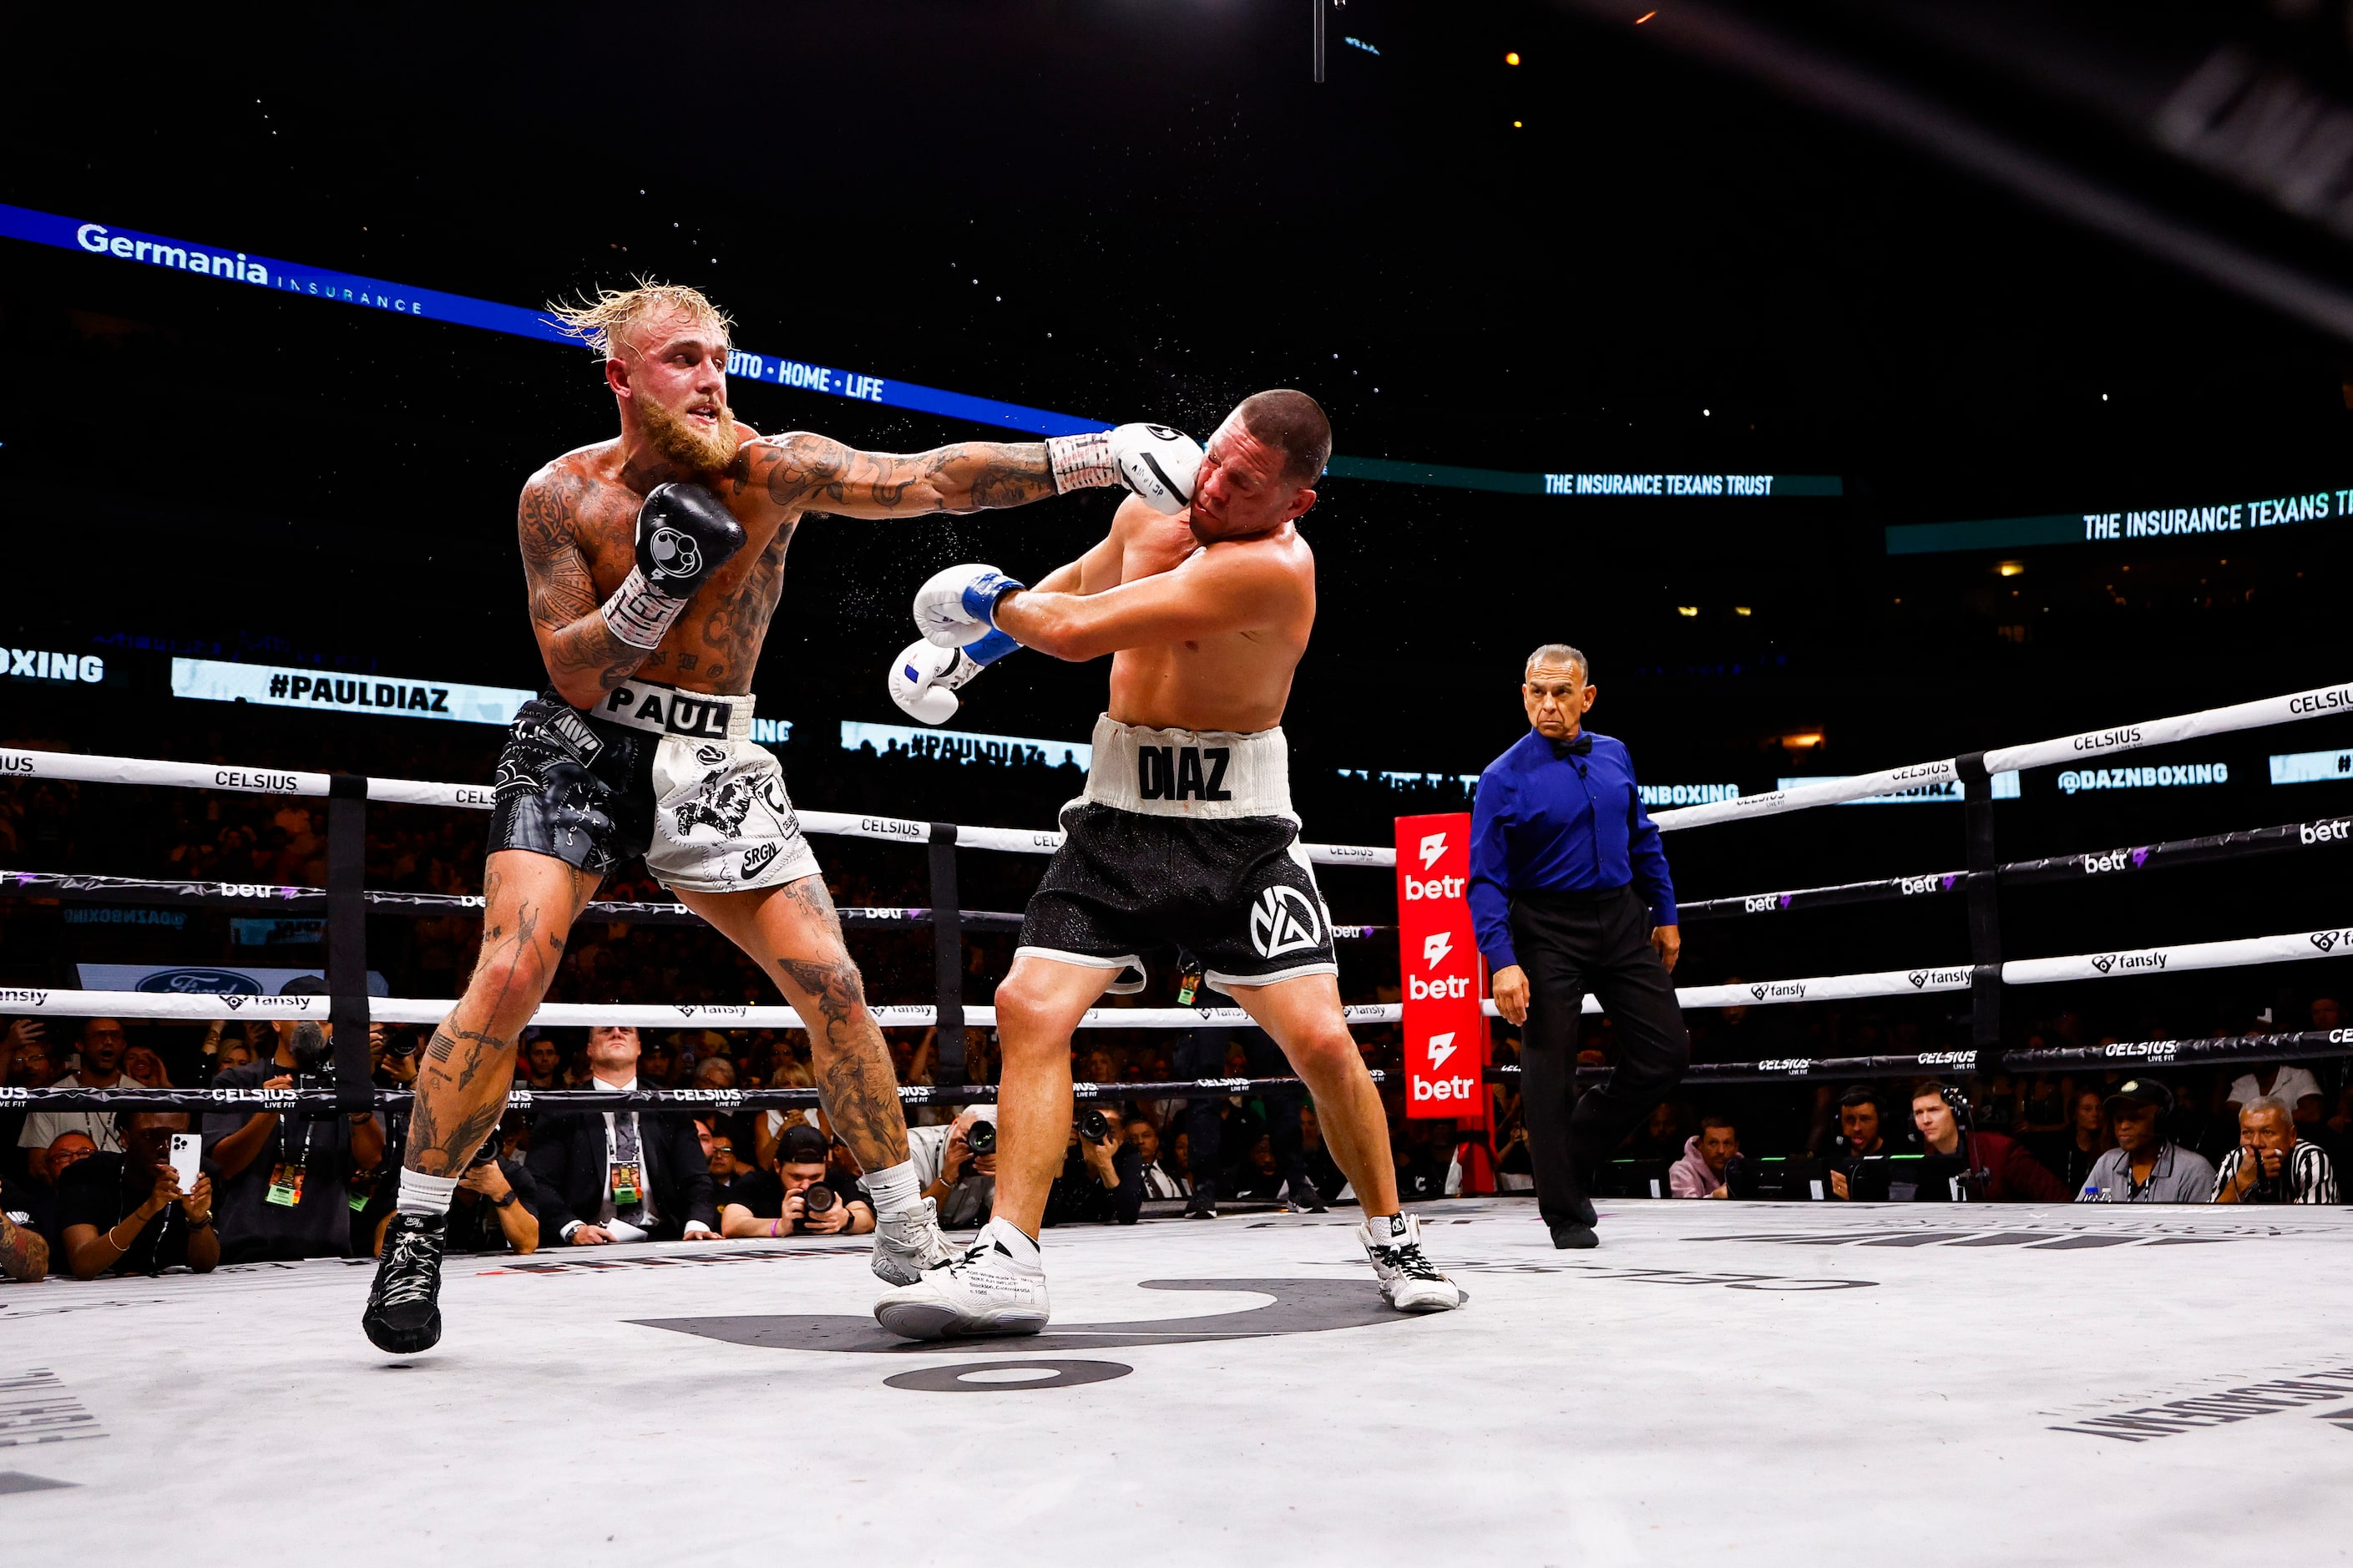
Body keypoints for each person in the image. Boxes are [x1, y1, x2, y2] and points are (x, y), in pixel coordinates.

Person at [362, 279, 1187, 1353]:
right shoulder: (560, 496)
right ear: (620, 376)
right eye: (680, 360)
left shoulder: (771, 466)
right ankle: (417, 1231)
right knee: (512, 970)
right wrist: (651, 594)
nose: (709, 379)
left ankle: (904, 1223)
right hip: (580, 745)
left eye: (717, 358)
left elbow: (929, 480)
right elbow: (567, 667)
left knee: (832, 978)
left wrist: (1092, 453)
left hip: (715, 751)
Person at [876, 389, 1464, 1337]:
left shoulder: (1273, 569)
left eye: (1246, 481)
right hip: (1115, 821)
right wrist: (973, 656)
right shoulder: (1155, 503)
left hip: (1239, 836)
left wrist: (980, 598)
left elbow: (1072, 633)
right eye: (1218, 456)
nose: (1216, 485)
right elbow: (1080, 581)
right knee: (1028, 1007)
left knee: (1318, 1040)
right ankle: (1009, 1260)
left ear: (1295, 502)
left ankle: (1392, 1233)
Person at [1471, 645, 1688, 1250]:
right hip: (1545, 928)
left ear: (1586, 697)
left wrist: (1664, 912)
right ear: (1523, 695)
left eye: (1561, 693)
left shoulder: (1615, 753)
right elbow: (1485, 879)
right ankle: (1564, 1212)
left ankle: (1577, 1142)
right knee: (1547, 1072)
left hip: (1620, 917)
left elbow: (1641, 836)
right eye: (1536, 692)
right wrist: (1503, 960)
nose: (1548, 704)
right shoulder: (1501, 777)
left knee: (1666, 1055)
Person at [204, 1014, 386, 1263]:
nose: (315, 1025)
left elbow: (372, 1159)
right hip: (245, 1249)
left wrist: (358, 1107)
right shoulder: (237, 1081)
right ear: (277, 1022)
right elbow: (225, 1166)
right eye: (304, 1015)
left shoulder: (348, 1084)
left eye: (324, 1018)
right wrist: (267, 1112)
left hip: (327, 1251)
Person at [526, 1024, 720, 1246]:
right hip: (588, 1239)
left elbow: (696, 1177)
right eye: (606, 1030)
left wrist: (697, 1224)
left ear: (638, 1048)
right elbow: (539, 1182)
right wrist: (573, 1229)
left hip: (663, 1237)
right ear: (590, 1049)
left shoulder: (668, 1105)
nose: (616, 1033)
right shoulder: (563, 1109)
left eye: (625, 1030)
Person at [59, 1112, 219, 1278]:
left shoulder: (198, 1175)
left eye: (176, 1137)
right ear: (125, 1138)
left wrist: (198, 1220)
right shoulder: (88, 1174)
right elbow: (84, 1265)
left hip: (169, 1292)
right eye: (150, 1136)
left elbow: (204, 1265)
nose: (164, 1149)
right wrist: (149, 1208)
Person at [1908, 1081, 2068, 1201]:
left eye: (1933, 1110)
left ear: (1955, 1113)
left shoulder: (2001, 1150)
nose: (1926, 1120)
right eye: (1919, 1113)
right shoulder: (1927, 1162)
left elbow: (2058, 1196)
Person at [17, 1018, 131, 1177]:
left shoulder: (143, 1094)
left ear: (124, 1045)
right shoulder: (50, 1097)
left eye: (115, 1036)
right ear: (80, 1045)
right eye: (99, 1035)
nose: (108, 1041)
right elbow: (37, 1166)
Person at [719, 1124, 874, 1238]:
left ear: (826, 1167)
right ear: (778, 1166)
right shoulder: (756, 1182)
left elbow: (867, 1220)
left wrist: (846, 1219)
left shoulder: (838, 1180)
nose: (806, 1185)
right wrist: (777, 1226)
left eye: (815, 1177)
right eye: (796, 1177)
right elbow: (731, 1224)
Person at [2077, 1079, 2218, 1202]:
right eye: (2119, 1119)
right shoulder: (2107, 1163)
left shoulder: (2194, 1171)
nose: (2123, 1126)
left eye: (2134, 1118)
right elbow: (2079, 1217)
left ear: (2160, 1121)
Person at [2211, 1095, 2339, 1204]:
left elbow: (2317, 1223)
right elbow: (2209, 1219)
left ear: (2291, 1136)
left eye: (2267, 1132)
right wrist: (2241, 1181)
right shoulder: (2233, 1160)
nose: (2256, 1143)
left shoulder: (2310, 1159)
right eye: (2247, 1133)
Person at [1825, 1087, 1897, 1201]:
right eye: (1849, 1119)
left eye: (1865, 1119)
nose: (1857, 1128)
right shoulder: (1832, 1163)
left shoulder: (1896, 1162)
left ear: (1881, 1120)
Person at [1670, 1115, 1738, 1198]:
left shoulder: (1743, 1170)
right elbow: (1687, 1209)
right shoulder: (1681, 1171)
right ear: (1700, 1144)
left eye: (1727, 1143)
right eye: (1713, 1143)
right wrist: (1715, 1197)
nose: (1721, 1151)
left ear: (1736, 1146)